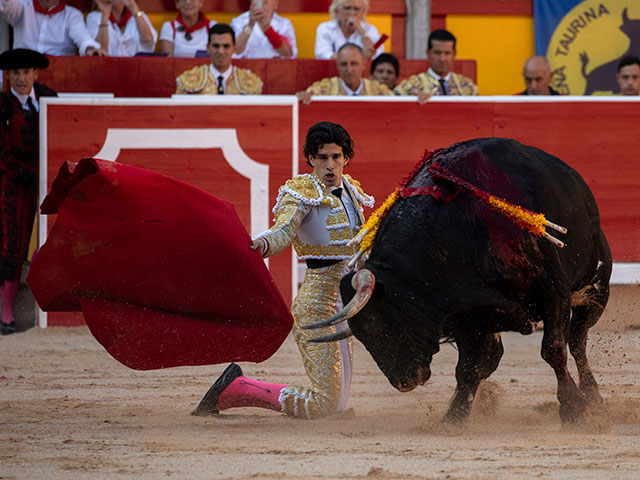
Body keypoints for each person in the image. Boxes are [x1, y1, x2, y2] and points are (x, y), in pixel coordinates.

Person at [192, 121, 374, 419]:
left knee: (335, 406)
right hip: (317, 309)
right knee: (324, 405)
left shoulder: (351, 190)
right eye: (322, 157)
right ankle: (239, 388)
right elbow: (283, 231)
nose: (330, 165)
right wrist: (260, 245)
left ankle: (237, 388)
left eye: (336, 157)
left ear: (346, 158)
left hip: (345, 306)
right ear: (311, 159)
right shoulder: (301, 193)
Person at [0, 49, 57, 336]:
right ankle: (7, 314)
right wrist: (27, 175)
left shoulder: (48, 99)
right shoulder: (2, 106)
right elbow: (1, 153)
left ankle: (42, 311)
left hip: (45, 182)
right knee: (12, 245)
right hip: (13, 185)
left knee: (47, 242)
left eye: (26, 72)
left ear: (36, 74)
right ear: (7, 76)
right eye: (15, 73)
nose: (21, 78)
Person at [175, 24, 263, 95]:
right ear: (208, 48)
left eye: (226, 46)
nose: (221, 51)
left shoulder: (249, 81)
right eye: (216, 46)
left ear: (234, 48)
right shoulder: (190, 79)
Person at [394, 29, 478, 100]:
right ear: (428, 53)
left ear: (454, 54)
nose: (442, 59)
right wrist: (413, 101)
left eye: (447, 53)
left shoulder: (468, 87)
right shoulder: (410, 86)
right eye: (437, 53)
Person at [297, 43, 391, 104]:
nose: (349, 70)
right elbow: (308, 94)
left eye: (354, 64)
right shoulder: (324, 89)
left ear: (363, 64)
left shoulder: (379, 91)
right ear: (337, 65)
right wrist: (305, 96)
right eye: (344, 64)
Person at [0, 0, 104, 56]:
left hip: (58, 74)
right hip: (22, 75)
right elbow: (5, 5)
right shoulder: (23, 6)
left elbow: (84, 40)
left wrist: (91, 49)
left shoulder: (72, 15)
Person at [315, 0, 384, 60]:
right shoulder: (325, 28)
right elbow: (323, 55)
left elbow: (377, 56)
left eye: (356, 9)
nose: (352, 13)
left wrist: (360, 30)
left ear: (363, 12)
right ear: (337, 11)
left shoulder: (371, 30)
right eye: (347, 8)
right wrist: (358, 58)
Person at [86, 0, 157, 56]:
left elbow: (148, 40)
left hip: (137, 67)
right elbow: (101, 51)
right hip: (109, 68)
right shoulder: (94, 17)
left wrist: (133, 7)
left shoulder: (139, 16)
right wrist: (105, 15)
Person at [230, 0, 297, 59]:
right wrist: (250, 25)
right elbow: (234, 52)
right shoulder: (238, 22)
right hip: (245, 71)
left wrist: (267, 29)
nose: (264, 1)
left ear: (276, 3)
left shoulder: (284, 24)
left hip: (276, 70)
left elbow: (289, 55)